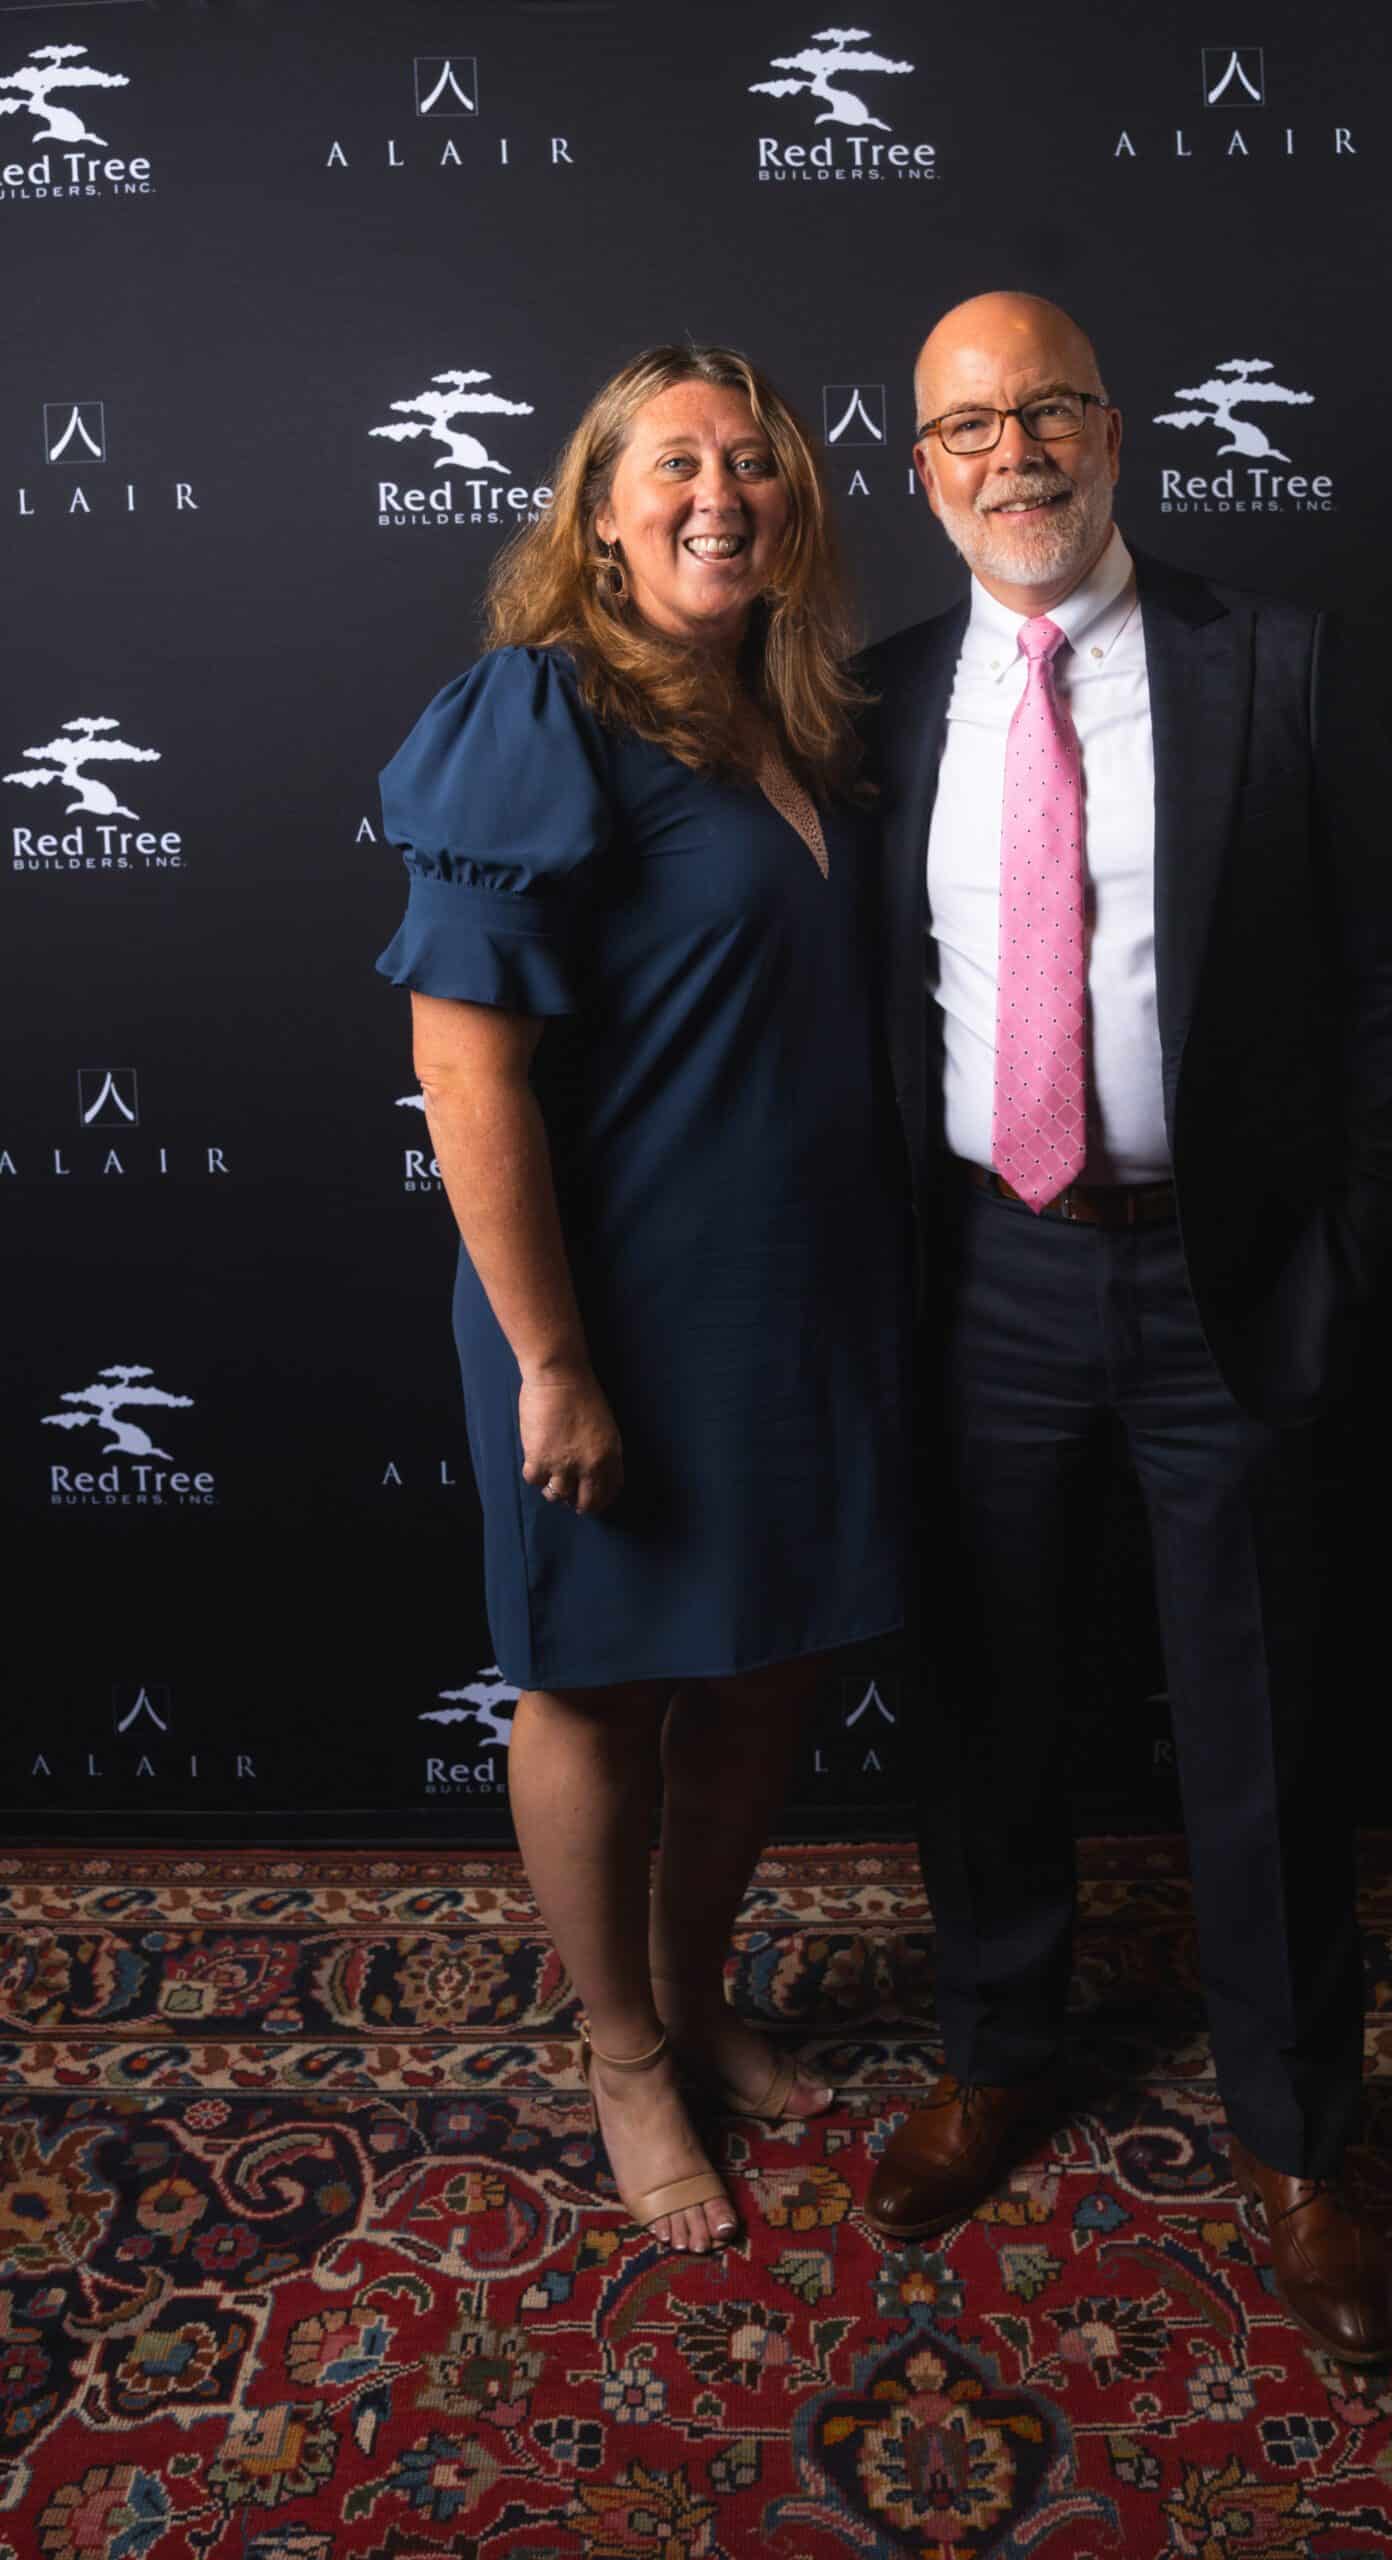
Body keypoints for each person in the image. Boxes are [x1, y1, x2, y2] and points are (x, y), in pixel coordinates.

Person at [859, 292, 1392, 2362]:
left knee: (1260, 1718)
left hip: (1223, 1276)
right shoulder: (875, 699)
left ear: (1115, 436)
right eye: (967, 425)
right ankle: (997, 2049)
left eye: (1048, 412)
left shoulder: (1273, 664)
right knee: (987, 1695)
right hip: (981, 1273)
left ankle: (1296, 2138)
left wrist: (1334, 1262)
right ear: (920, 467)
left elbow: (1389, 989)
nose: (1010, 453)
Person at [374, 345, 906, 2257]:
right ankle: (619, 2055)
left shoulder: (798, 721)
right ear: (597, 513)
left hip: (799, 1300)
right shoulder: (538, 712)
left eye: (751, 462)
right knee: (597, 1688)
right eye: (671, 462)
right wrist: (553, 1360)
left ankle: (697, 1997)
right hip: (608, 1317)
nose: (718, 493)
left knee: (763, 1675)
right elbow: (465, 1069)